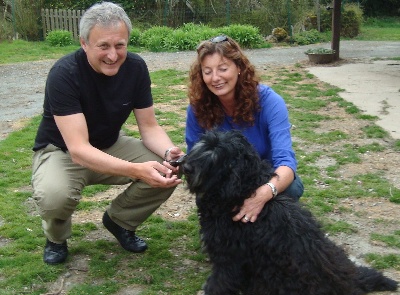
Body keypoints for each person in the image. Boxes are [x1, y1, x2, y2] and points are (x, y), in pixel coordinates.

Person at [32, 2, 184, 265]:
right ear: (84, 43)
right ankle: (56, 238)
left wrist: (169, 152)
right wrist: (137, 170)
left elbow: (149, 127)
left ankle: (120, 220)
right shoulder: (64, 74)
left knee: (168, 169)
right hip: (63, 151)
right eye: (103, 46)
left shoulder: (136, 67)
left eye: (120, 45)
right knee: (54, 196)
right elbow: (79, 149)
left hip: (110, 145)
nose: (113, 55)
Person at [185, 35, 304, 224]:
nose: (215, 78)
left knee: (292, 188)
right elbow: (193, 157)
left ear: (239, 68)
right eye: (207, 71)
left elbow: (286, 163)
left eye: (223, 69)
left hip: (262, 174)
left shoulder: (270, 102)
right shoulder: (198, 108)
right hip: (224, 176)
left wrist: (264, 193)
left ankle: (270, 222)